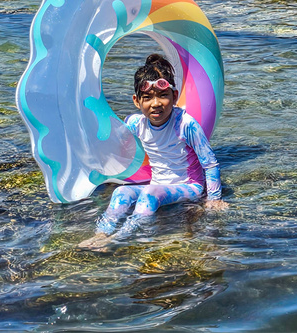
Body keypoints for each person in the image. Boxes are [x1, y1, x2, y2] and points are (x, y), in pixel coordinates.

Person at [79, 54, 226, 249]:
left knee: (149, 193)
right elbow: (115, 149)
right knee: (121, 192)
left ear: (174, 97)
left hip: (189, 186)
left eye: (163, 95)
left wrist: (214, 199)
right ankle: (101, 233)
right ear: (137, 101)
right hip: (158, 184)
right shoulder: (135, 123)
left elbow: (210, 163)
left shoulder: (185, 125)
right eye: (147, 98)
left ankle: (116, 240)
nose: (156, 103)